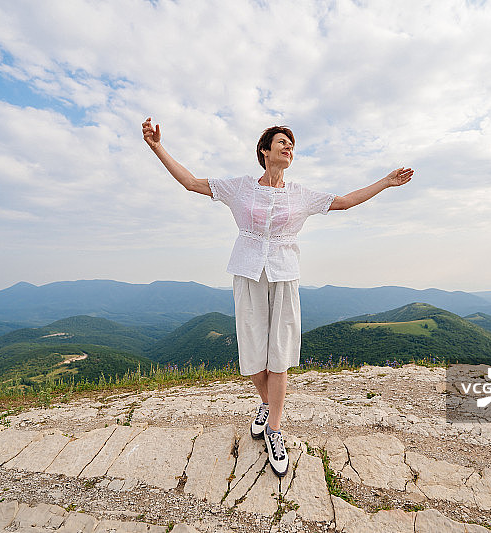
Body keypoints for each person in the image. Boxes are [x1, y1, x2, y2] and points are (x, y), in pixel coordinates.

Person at [142, 117, 413, 477]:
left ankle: (274, 428)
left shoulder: (300, 194)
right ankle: (269, 405)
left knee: (280, 352)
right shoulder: (239, 188)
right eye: (281, 141)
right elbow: (191, 183)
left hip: (284, 274)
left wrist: (386, 182)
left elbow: (345, 201)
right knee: (254, 354)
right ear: (264, 150)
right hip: (248, 273)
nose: (288, 146)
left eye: (291, 144)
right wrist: (157, 146)